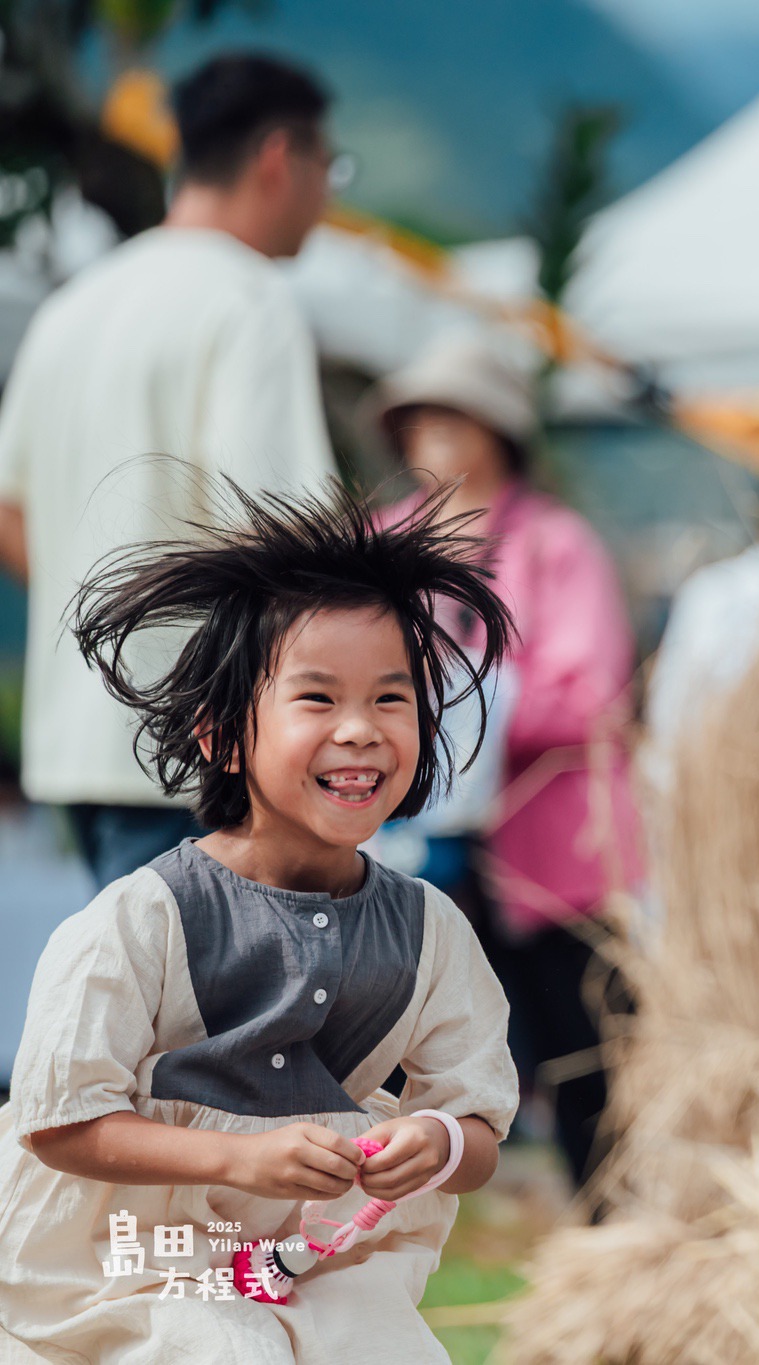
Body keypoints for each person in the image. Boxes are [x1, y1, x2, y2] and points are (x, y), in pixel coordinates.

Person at [0, 483, 517, 1363]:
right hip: (135, 1265)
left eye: (390, 700)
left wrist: (433, 1141)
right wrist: (237, 1161)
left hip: (310, 1257)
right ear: (222, 736)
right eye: (317, 698)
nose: (360, 730)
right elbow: (59, 1121)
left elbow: (479, 1128)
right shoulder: (141, 919)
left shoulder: (431, 929)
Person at [0, 51, 338, 888]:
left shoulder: (72, 307)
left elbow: (10, 509)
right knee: (207, 975)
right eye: (330, 166)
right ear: (278, 157)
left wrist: (108, 617)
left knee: (130, 968)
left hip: (74, 743)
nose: (329, 195)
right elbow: (278, 533)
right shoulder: (248, 301)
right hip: (197, 749)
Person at [366, 334, 638, 1192]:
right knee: (395, 1042)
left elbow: (593, 693)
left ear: (499, 429)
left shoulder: (556, 544)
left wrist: (469, 708)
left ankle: (609, 1216)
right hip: (403, 846)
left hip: (545, 844)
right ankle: (382, 1213)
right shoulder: (377, 543)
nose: (434, 432)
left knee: (581, 1045)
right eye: (420, 417)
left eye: (455, 414)